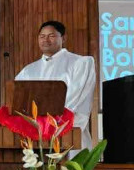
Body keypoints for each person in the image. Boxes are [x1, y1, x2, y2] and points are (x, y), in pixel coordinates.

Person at [15, 20, 97, 150]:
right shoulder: (28, 71)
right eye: (42, 36)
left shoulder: (80, 63)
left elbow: (75, 100)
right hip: (35, 137)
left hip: (69, 134)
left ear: (63, 38)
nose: (45, 40)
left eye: (51, 36)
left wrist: (49, 122)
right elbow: (17, 101)